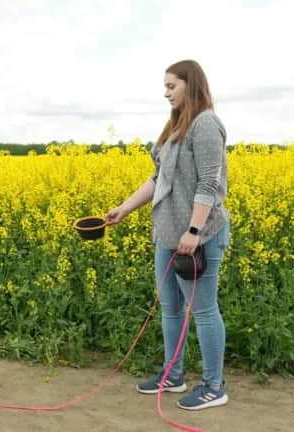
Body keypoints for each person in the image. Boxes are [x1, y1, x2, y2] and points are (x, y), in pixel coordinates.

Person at [105, 59, 231, 410]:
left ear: (192, 85)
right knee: (171, 308)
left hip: (199, 236)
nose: (166, 93)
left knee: (204, 310)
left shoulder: (206, 124)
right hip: (168, 234)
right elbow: (158, 178)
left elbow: (209, 183)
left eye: (172, 86)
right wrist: (124, 208)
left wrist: (194, 230)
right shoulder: (175, 126)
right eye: (165, 86)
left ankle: (214, 386)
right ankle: (173, 374)